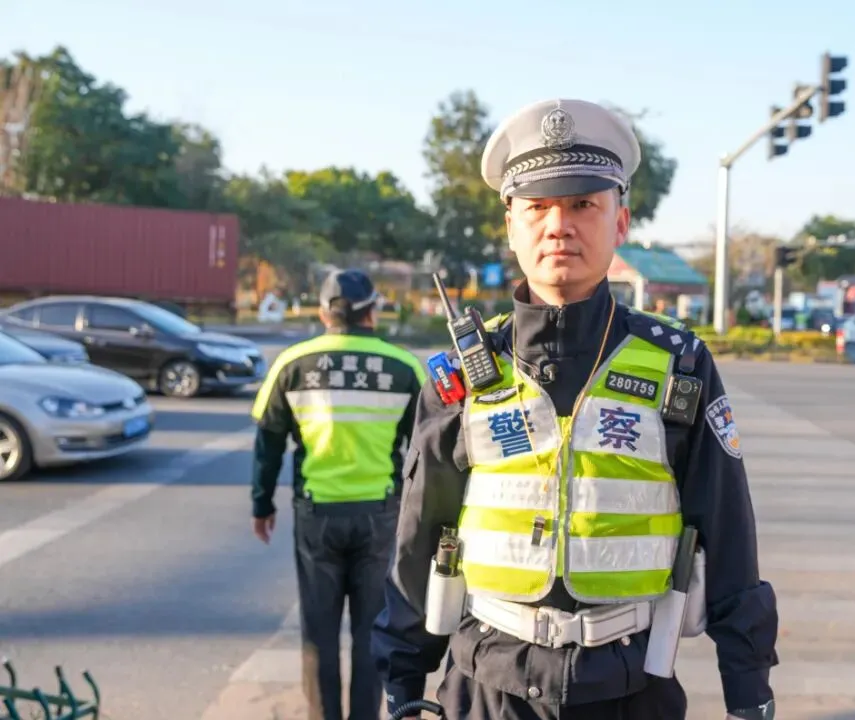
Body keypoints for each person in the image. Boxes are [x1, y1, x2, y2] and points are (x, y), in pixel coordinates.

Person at [372, 99, 779, 720]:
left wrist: (748, 691)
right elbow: (421, 531)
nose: (559, 226)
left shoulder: (678, 363)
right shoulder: (464, 375)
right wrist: (402, 679)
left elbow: (727, 530)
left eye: (584, 204)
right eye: (537, 207)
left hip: (630, 690)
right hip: (486, 690)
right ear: (511, 225)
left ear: (621, 222)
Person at [250, 269, 425, 720]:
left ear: (324, 312)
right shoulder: (403, 366)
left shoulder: (293, 362)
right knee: (372, 631)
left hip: (317, 515)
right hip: (380, 516)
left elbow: (268, 442)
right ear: (371, 311)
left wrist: (262, 506)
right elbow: (424, 451)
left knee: (319, 632)